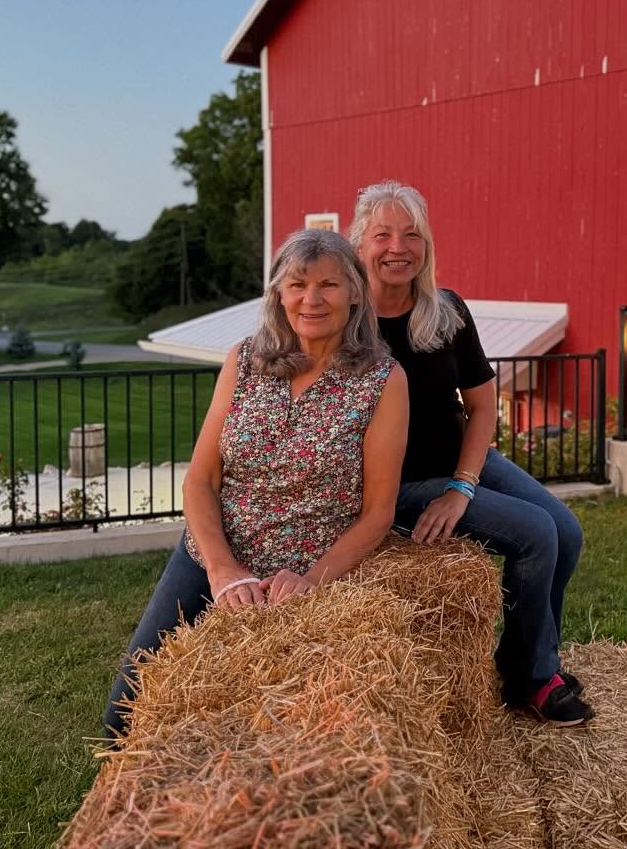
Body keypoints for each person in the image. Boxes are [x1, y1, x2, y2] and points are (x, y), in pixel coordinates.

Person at [101, 229, 408, 738]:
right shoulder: (244, 361)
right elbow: (200, 479)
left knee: (279, 735)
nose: (311, 299)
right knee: (128, 712)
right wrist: (222, 571)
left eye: (329, 284)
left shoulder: (382, 379)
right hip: (214, 553)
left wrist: (313, 578)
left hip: (309, 572)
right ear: (278, 293)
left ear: (356, 292)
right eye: (297, 284)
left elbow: (379, 511)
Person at [350, 180, 593, 726]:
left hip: (460, 461)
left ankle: (523, 659)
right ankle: (535, 679)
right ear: (359, 241)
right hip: (400, 483)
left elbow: (482, 408)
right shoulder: (344, 322)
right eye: (383, 233)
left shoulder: (446, 310)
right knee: (534, 535)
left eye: (412, 234)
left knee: (566, 531)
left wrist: (463, 485)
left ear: (426, 244)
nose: (398, 247)